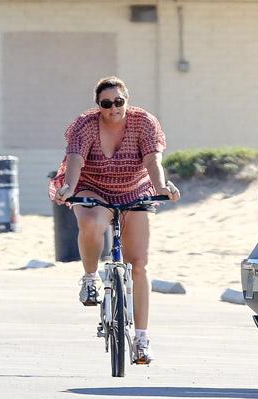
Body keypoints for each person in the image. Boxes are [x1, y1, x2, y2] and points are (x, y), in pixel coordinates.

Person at [50, 76, 180, 364]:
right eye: (106, 104)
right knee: (92, 223)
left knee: (140, 264)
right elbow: (75, 161)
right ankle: (90, 278)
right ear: (98, 105)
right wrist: (69, 189)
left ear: (126, 100)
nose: (113, 108)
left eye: (118, 102)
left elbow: (152, 162)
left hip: (134, 189)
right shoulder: (84, 126)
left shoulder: (144, 122)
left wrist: (161, 187)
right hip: (92, 187)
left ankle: (142, 340)